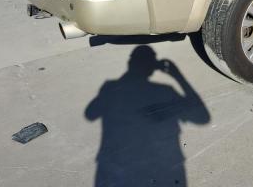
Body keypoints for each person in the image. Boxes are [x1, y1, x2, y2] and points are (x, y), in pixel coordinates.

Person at [85, 46, 210, 186]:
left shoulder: (110, 88)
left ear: (130, 63)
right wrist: (177, 76)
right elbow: (203, 117)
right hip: (163, 165)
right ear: (152, 67)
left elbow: (90, 114)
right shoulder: (165, 91)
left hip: (117, 166)